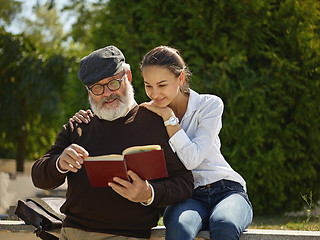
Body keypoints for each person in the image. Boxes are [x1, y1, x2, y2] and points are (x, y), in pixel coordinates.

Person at [72, 46, 253, 240]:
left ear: (180, 79)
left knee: (224, 225)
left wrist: (169, 118)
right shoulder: (148, 114)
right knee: (179, 229)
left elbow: (192, 159)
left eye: (162, 85)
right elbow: (114, 118)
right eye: (148, 85)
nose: (154, 94)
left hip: (225, 189)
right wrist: (85, 116)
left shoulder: (209, 105)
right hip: (187, 197)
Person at [31, 45, 194, 240]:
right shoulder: (78, 126)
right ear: (88, 91)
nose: (108, 93)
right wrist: (59, 162)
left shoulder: (156, 123)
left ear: (128, 76)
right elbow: (39, 177)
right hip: (73, 233)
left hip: (128, 236)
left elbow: (184, 183)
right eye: (97, 88)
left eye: (113, 83)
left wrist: (149, 193)